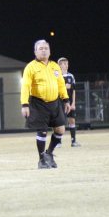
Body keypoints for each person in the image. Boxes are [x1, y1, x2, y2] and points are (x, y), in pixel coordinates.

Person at [21, 40, 71, 169]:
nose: (44, 50)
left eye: (46, 48)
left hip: (55, 102)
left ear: (49, 51)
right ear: (35, 51)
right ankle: (41, 160)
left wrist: (66, 99)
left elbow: (60, 84)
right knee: (42, 131)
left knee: (60, 130)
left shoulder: (55, 66)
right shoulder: (30, 67)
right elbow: (25, 86)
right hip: (38, 103)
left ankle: (49, 153)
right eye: (41, 48)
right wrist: (24, 104)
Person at [57, 57, 80, 147]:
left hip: (69, 103)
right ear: (59, 65)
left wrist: (73, 103)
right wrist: (63, 86)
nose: (65, 65)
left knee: (72, 120)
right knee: (60, 122)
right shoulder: (56, 76)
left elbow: (73, 90)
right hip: (60, 103)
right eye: (63, 63)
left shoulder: (71, 76)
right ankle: (58, 142)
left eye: (66, 63)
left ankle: (73, 141)